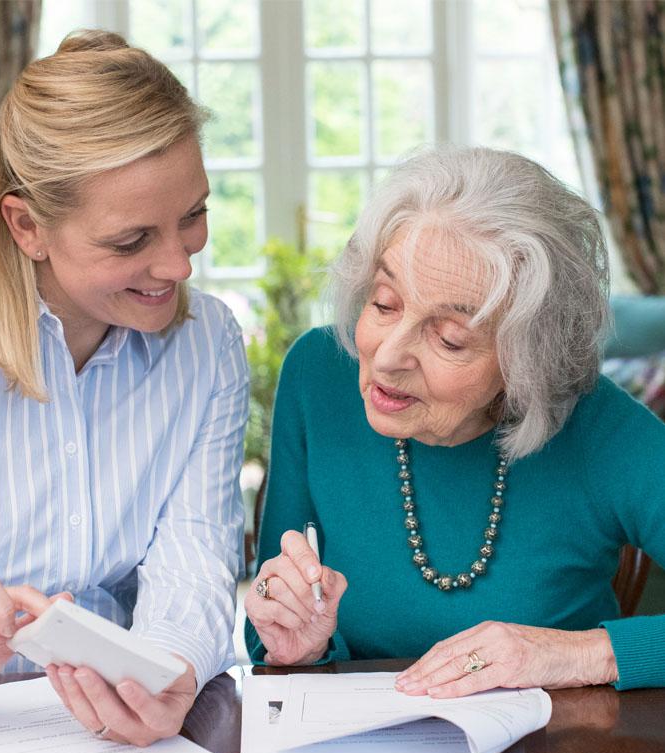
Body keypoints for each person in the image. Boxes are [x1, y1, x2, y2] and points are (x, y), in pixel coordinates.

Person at [0, 30, 248, 747]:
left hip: (110, 743)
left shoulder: (209, 343)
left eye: (193, 216)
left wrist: (167, 670)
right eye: (131, 240)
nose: (178, 265)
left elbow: (196, 554)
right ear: (27, 226)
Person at [245, 146, 665, 695]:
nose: (389, 355)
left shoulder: (601, 430)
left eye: (449, 338)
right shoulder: (319, 374)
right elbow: (270, 642)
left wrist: (583, 654)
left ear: (527, 361)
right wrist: (300, 643)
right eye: (385, 303)